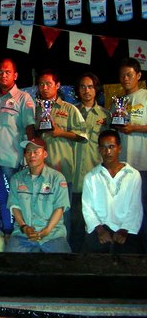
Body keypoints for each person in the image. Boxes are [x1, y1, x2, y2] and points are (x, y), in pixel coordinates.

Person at [82, 129, 143, 254]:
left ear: (119, 148)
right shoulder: (91, 177)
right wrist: (100, 230)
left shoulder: (133, 175)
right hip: (100, 228)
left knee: (131, 257)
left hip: (125, 228)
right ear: (99, 150)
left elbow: (135, 206)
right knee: (92, 257)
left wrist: (124, 229)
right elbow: (87, 208)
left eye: (111, 147)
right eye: (103, 148)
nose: (107, 152)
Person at [6, 137, 71, 253]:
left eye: (36, 152)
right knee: (9, 259)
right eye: (28, 152)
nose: (32, 155)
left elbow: (60, 207)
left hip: (52, 234)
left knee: (66, 261)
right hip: (23, 235)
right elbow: (14, 206)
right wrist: (24, 227)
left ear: (45, 154)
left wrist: (47, 230)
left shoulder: (57, 178)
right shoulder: (17, 178)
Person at [72, 72, 110, 252]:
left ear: (96, 90)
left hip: (96, 179)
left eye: (90, 87)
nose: (86, 91)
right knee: (74, 224)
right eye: (82, 87)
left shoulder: (106, 115)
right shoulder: (70, 112)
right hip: (74, 178)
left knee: (96, 224)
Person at [0, 58, 35, 180]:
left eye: (7, 72)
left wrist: (30, 155)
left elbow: (30, 128)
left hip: (10, 161)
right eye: (0, 72)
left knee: (10, 192)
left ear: (15, 76)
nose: (3, 75)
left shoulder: (23, 98)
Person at [36, 69, 87, 187]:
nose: (44, 88)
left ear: (57, 85)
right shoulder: (36, 110)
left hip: (63, 169)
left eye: (48, 84)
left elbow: (82, 137)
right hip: (41, 169)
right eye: (41, 84)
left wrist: (60, 133)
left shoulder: (70, 109)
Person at [117, 57, 147, 170]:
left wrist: (134, 128)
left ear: (138, 75)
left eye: (129, 75)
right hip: (121, 163)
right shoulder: (117, 102)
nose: (125, 78)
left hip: (143, 163)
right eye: (122, 75)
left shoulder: (145, 96)